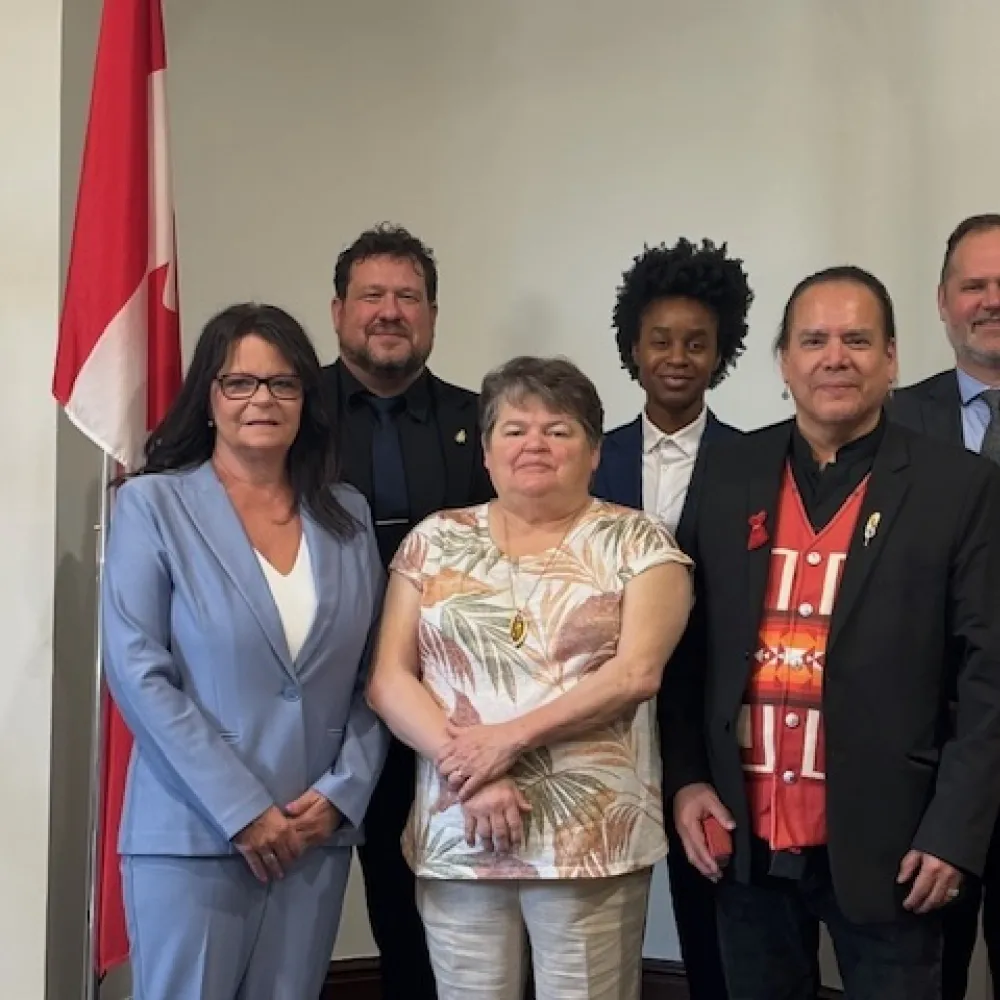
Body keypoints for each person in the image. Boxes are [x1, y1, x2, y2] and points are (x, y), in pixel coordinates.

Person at [665, 266, 1000, 1000]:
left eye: (857, 339)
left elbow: (989, 679)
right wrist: (686, 780)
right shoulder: (728, 474)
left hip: (895, 845)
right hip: (744, 841)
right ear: (784, 361)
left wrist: (954, 832)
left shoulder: (959, 488)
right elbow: (685, 651)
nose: (834, 357)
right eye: (813, 340)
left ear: (892, 358)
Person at [367, 356, 695, 1000]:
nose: (535, 444)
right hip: (461, 827)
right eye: (514, 429)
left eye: (560, 429)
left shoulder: (640, 542)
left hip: (588, 842)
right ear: (486, 451)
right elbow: (388, 680)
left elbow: (635, 674)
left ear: (595, 451)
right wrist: (474, 768)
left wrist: (505, 741)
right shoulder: (435, 540)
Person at [102, 303, 388, 1000]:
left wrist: (340, 796)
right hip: (194, 834)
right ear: (208, 397)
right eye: (239, 383)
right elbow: (139, 670)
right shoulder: (151, 505)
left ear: (305, 401)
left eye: (282, 384)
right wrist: (242, 810)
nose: (262, 399)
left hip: (311, 838)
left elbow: (376, 676)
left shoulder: (347, 515)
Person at [321, 223, 493, 1000]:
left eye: (408, 297)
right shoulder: (292, 414)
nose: (390, 312)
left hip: (452, 712)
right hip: (326, 711)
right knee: (340, 903)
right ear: (337, 311)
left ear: (431, 314)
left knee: (455, 912)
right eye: (372, 296)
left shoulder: (484, 421)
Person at [593, 237, 753, 999]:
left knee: (713, 920)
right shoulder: (589, 457)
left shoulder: (757, 463)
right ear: (633, 347)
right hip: (603, 723)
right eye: (661, 340)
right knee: (597, 925)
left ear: (722, 354)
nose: (678, 357)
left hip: (711, 726)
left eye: (698, 342)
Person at [889, 212, 1000, 999]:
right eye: (975, 285)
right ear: (942, 301)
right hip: (926, 758)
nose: (992, 300)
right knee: (929, 974)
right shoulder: (888, 421)